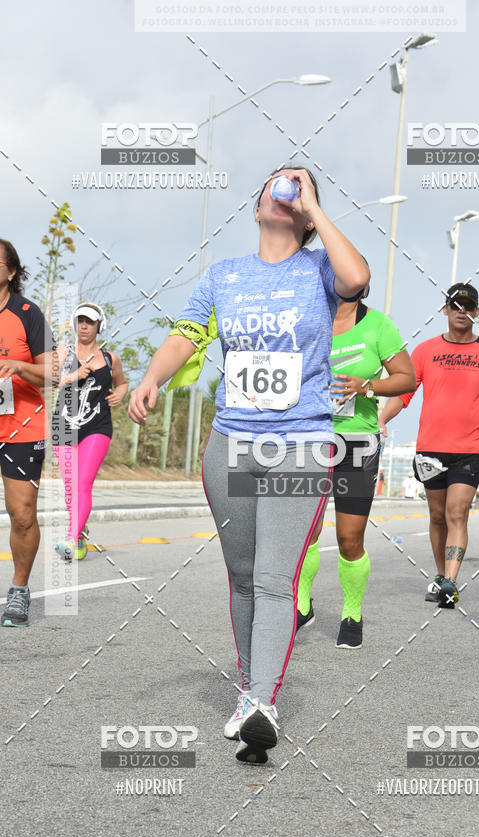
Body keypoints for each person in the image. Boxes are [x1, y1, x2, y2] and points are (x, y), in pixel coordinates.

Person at [129, 167, 369, 763]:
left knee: (273, 576)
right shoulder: (224, 276)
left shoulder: (319, 270)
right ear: (256, 201)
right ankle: (246, 690)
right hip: (233, 443)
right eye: (278, 182)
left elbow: (358, 278)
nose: (285, 189)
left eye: (299, 184)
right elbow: (186, 335)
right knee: (241, 574)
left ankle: (263, 701)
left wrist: (316, 211)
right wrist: (151, 378)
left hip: (300, 443)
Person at [295, 286, 415, 648]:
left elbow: (407, 378)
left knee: (349, 539)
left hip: (356, 442)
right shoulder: (304, 318)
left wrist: (369, 386)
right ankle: (302, 606)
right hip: (308, 438)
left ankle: (352, 612)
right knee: (305, 532)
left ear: (361, 286)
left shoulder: (378, 325)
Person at [379, 283, 479, 607]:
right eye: (455, 305)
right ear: (445, 310)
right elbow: (405, 393)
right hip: (430, 450)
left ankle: (450, 582)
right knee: (437, 516)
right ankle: (440, 575)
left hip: (469, 450)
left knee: (456, 513)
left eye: (468, 306)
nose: (461, 311)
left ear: (477, 312)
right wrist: (382, 420)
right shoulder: (424, 351)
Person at [0, 239, 56, 628]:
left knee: (21, 515)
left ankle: (19, 590)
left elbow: (52, 373)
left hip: (20, 423)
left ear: (11, 271)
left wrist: (19, 367)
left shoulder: (26, 314)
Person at [52, 302, 127, 561]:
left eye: (90, 322)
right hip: (63, 426)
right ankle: (80, 533)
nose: (84, 326)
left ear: (99, 326)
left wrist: (120, 393)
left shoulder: (110, 358)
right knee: (71, 487)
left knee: (83, 481)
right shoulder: (63, 353)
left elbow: (123, 383)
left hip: (97, 427)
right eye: (80, 320)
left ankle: (71, 539)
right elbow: (45, 383)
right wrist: (72, 376)